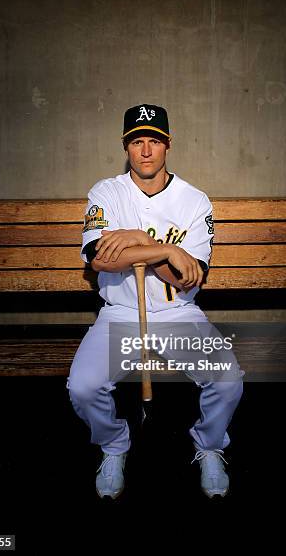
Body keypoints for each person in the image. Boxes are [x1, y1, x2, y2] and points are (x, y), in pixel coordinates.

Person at [66, 103, 244, 499]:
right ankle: (114, 443)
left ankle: (210, 444)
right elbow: (99, 258)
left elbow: (187, 278)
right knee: (83, 387)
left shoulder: (195, 200)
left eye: (154, 141)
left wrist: (142, 241)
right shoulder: (106, 192)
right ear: (126, 146)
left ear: (168, 145)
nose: (146, 150)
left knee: (228, 381)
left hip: (178, 313)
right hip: (120, 313)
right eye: (137, 141)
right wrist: (164, 250)